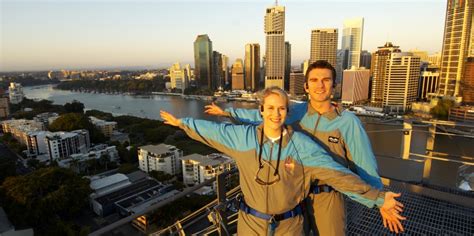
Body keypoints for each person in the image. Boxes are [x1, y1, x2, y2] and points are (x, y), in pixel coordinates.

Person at [161, 87, 405, 235]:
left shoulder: (302, 147)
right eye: (270, 108)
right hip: (251, 225)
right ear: (262, 111)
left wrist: (378, 197)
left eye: (281, 109)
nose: (276, 114)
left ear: (287, 112)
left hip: (290, 227)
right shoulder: (242, 138)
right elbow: (213, 131)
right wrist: (182, 123)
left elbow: (338, 174)